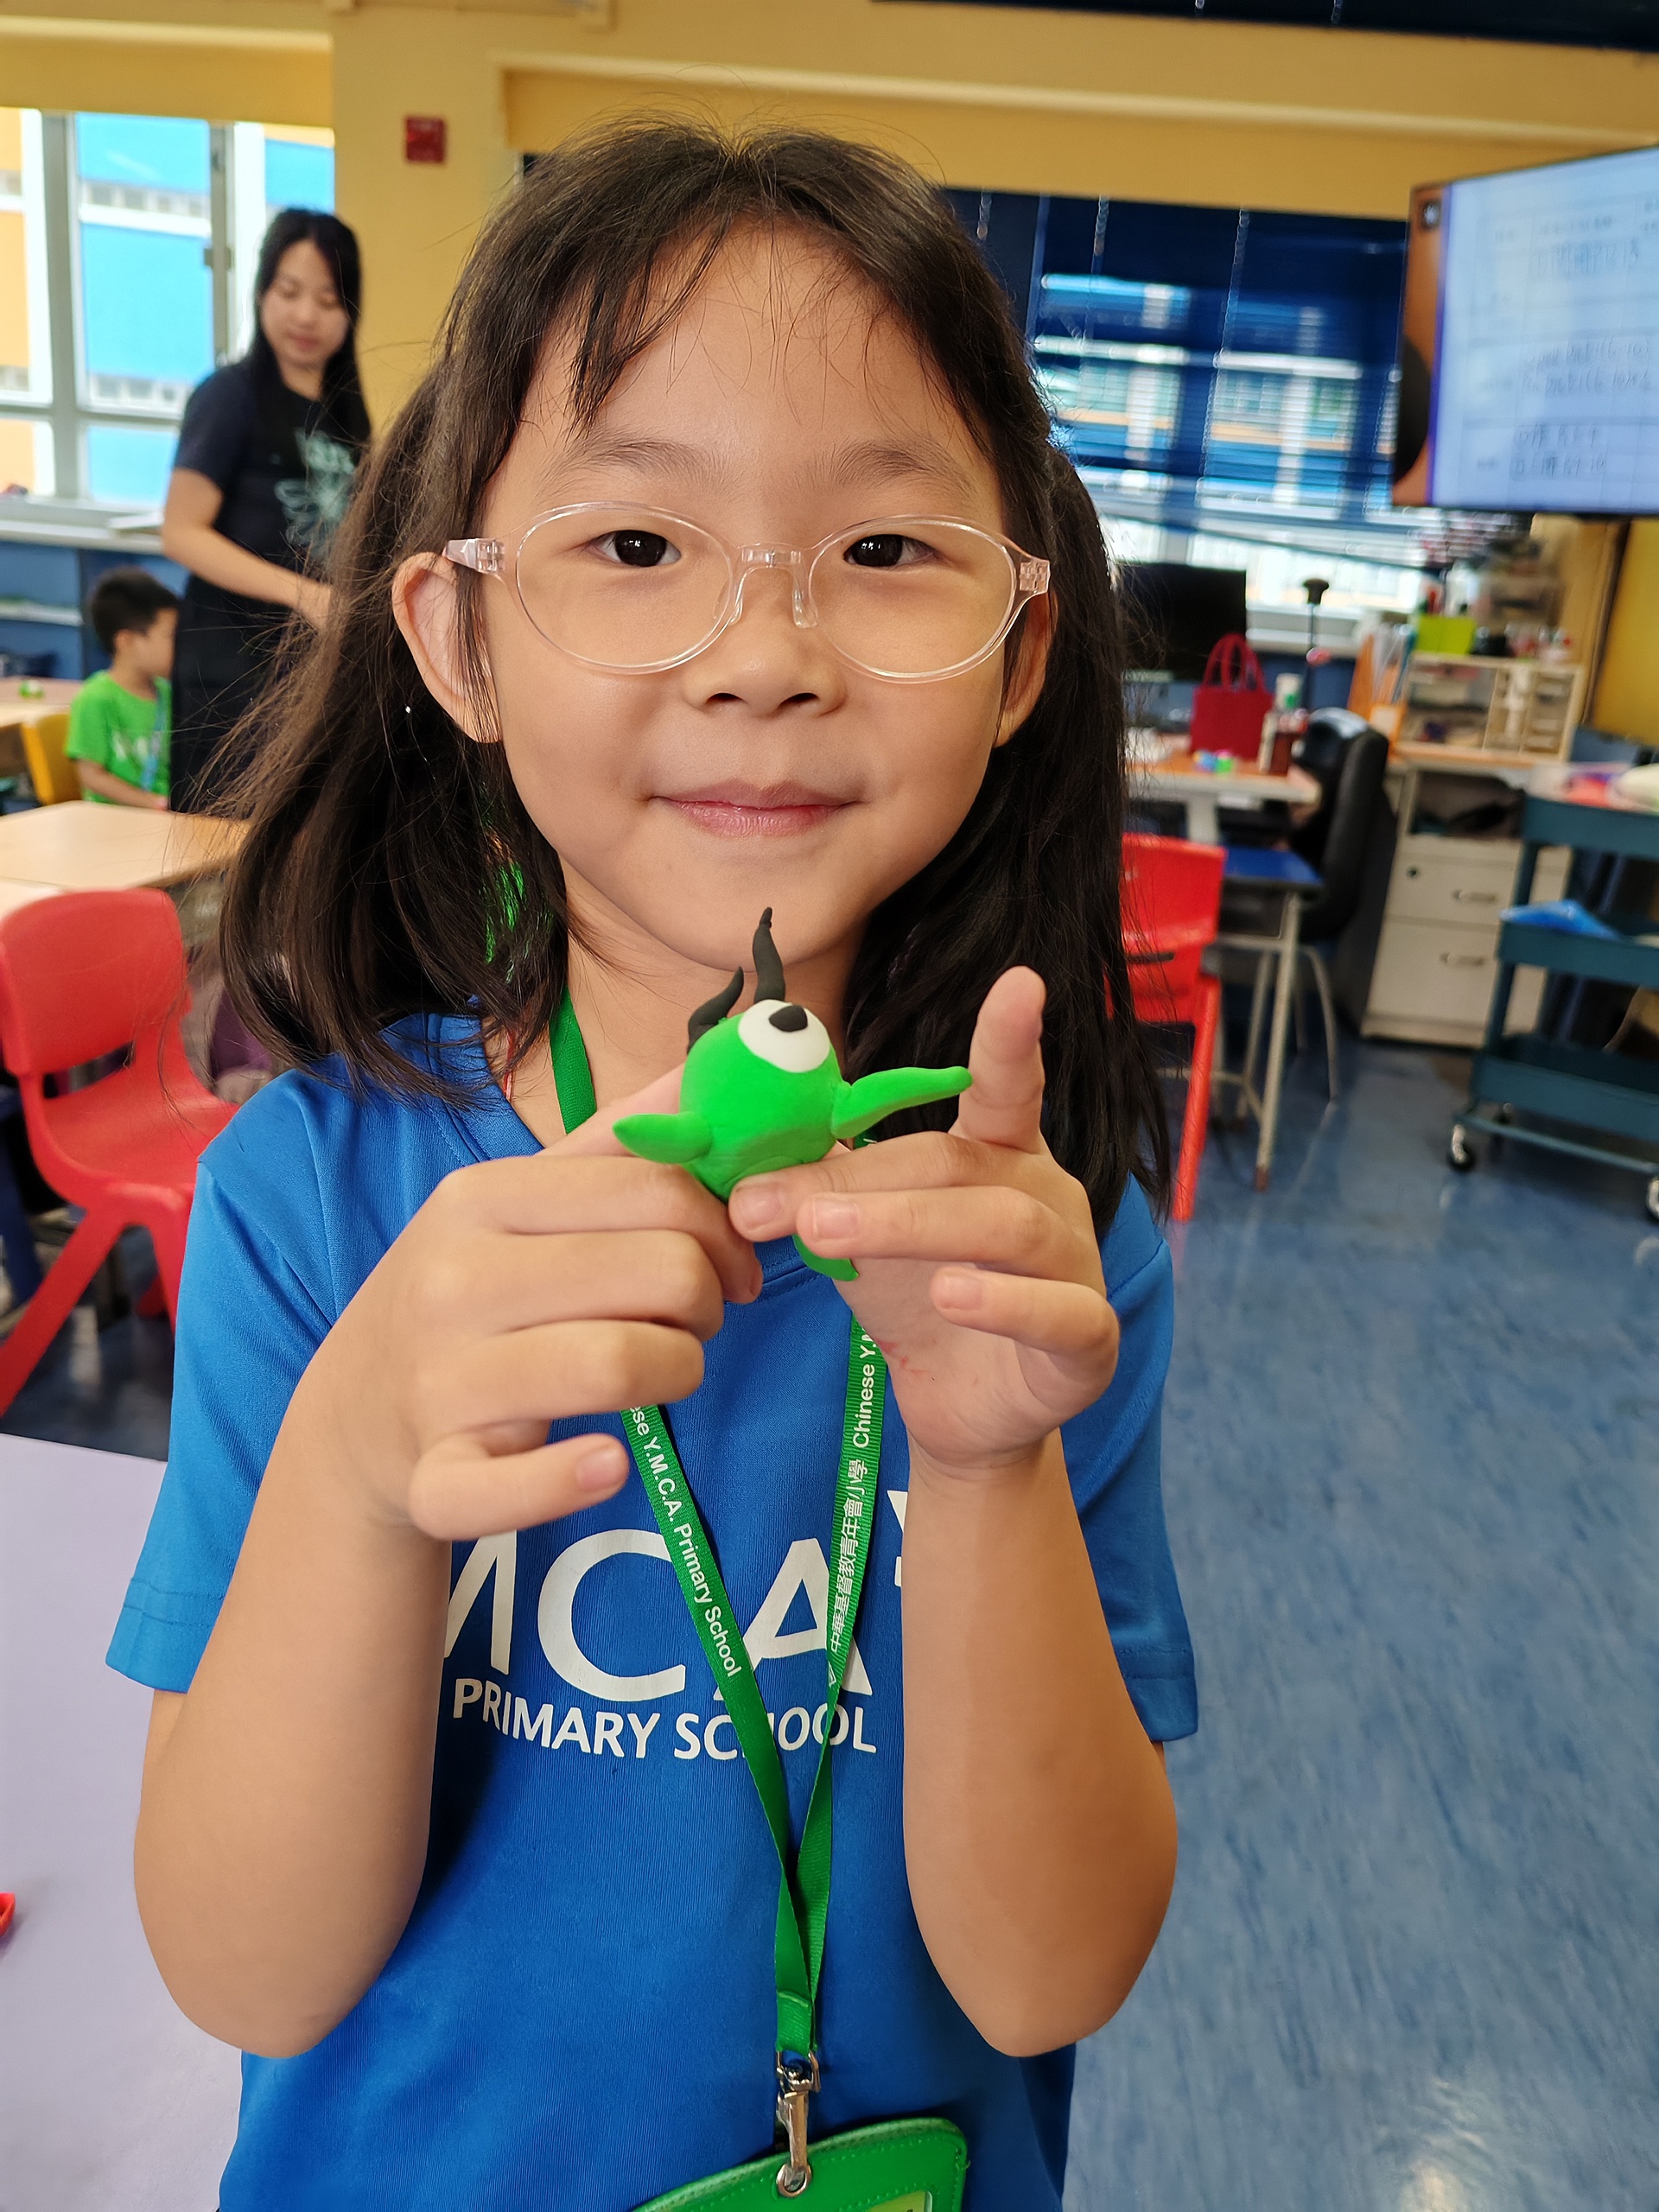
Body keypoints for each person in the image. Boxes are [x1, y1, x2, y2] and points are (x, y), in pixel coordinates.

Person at [109, 123, 1197, 2212]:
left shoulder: (1042, 1246)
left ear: (1019, 646)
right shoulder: (312, 1198)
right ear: (461, 639)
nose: (764, 652)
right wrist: (356, 1462)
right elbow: (244, 1963)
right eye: (635, 542)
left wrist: (988, 1471)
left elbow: (1051, 1971)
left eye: (884, 547)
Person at [161, 209, 369, 814]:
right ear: (260, 294)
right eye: (289, 291)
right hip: (231, 674)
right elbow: (181, 533)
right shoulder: (230, 395)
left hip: (311, 675)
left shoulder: (346, 416)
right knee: (224, 847)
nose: (305, 316)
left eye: (327, 300)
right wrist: (304, 595)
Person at [66, 566, 177, 810]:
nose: (181, 646)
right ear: (126, 641)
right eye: (170, 636)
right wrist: (154, 804)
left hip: (165, 817)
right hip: (113, 819)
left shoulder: (168, 694)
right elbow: (92, 776)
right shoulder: (96, 698)